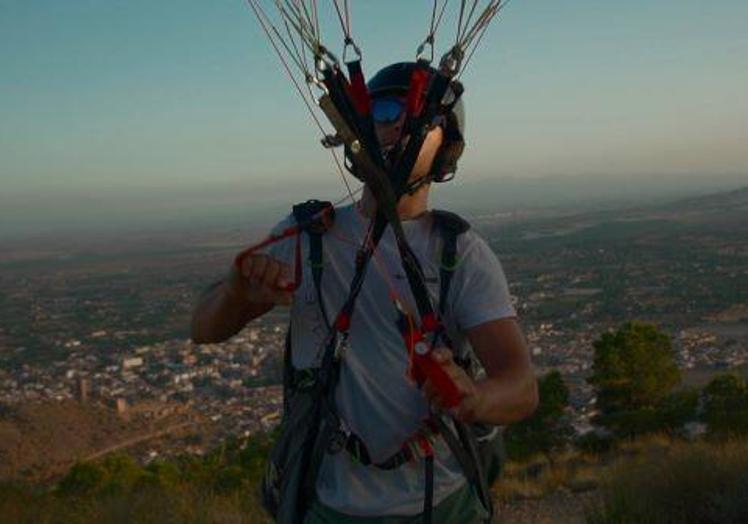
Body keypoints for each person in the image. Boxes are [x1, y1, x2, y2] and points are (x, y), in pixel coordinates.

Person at [191, 62, 538, 523]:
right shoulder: (309, 235)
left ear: (445, 144)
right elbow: (204, 328)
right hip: (328, 503)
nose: (392, 126)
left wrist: (477, 399)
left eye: (408, 115)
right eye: (380, 111)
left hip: (441, 502)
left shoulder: (459, 252)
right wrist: (236, 292)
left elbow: (521, 386)